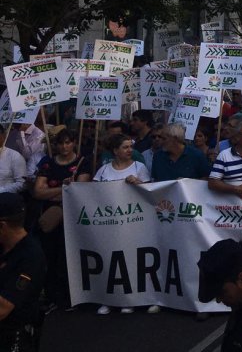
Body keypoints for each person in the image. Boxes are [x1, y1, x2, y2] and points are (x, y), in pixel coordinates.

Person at [92, 133, 154, 316]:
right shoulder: (104, 170)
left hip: (132, 222)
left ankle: (129, 299)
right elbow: (92, 193)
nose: (130, 150)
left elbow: (149, 194)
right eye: (125, 147)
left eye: (130, 146)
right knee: (109, 260)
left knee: (131, 260)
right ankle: (109, 300)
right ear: (115, 150)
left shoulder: (139, 167)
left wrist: (138, 183)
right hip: (109, 224)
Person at [34, 129, 90, 310]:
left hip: (72, 217)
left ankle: (69, 296)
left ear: (74, 143)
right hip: (51, 217)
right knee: (50, 255)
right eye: (61, 143)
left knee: (68, 257)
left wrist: (52, 192)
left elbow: (79, 190)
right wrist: (63, 188)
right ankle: (51, 296)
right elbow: (38, 192)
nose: (64, 146)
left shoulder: (82, 162)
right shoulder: (48, 164)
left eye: (68, 142)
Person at [0, 194, 46, 351]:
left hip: (12, 337)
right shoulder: (4, 245)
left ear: (2, 226)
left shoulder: (30, 257)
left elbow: (3, 309)